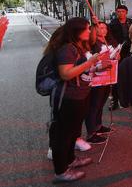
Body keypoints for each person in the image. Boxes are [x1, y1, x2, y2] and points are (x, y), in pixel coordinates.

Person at [46, 17, 110, 183]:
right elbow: (66, 73)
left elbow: (81, 71)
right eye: (88, 28)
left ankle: (70, 160)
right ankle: (61, 171)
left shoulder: (78, 47)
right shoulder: (67, 49)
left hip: (79, 96)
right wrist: (90, 62)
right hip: (68, 98)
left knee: (73, 132)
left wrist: (96, 66)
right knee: (63, 135)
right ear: (77, 31)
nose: (90, 31)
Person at [85, 21, 117, 144]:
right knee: (94, 104)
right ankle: (91, 132)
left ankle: (98, 126)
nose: (102, 29)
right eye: (99, 27)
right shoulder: (93, 44)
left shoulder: (108, 41)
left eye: (104, 27)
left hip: (107, 77)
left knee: (101, 103)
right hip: (96, 77)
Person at [108, 4, 132, 111]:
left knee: (129, 76)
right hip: (117, 53)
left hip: (130, 52)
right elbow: (108, 36)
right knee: (116, 78)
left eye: (122, 11)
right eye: (118, 11)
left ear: (126, 12)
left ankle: (127, 98)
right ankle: (115, 100)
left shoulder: (131, 22)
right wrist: (116, 48)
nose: (120, 13)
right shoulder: (112, 24)